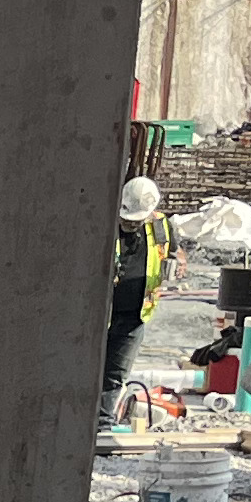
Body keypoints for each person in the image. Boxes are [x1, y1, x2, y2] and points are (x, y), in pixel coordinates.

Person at [103, 172, 172, 438]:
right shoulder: (105, 223)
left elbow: (168, 254)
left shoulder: (160, 226)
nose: (129, 225)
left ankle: (102, 428)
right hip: (101, 314)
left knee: (115, 374)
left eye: (135, 222)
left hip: (136, 315)